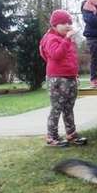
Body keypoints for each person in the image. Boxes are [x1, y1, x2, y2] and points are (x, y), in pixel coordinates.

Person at [39, 10, 87, 147]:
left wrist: (75, 75)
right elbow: (56, 55)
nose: (67, 26)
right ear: (54, 25)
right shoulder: (51, 39)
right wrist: (66, 39)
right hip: (57, 79)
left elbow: (70, 59)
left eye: (69, 23)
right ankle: (51, 136)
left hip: (70, 77)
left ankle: (71, 134)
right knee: (57, 108)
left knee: (68, 107)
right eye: (63, 23)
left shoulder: (66, 38)